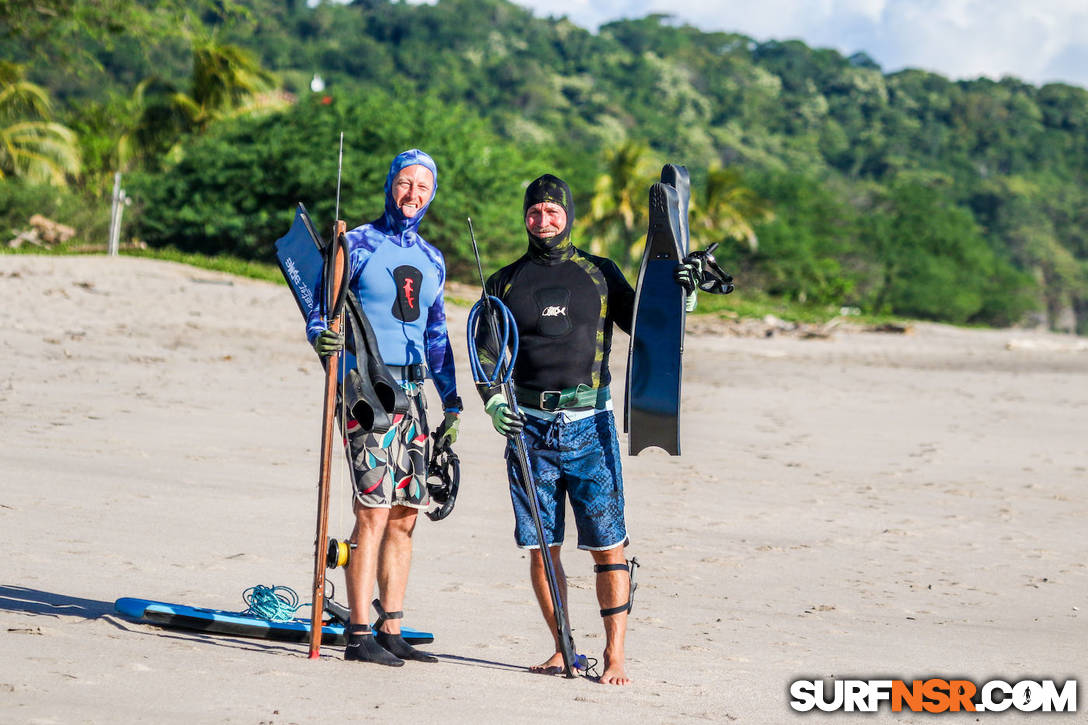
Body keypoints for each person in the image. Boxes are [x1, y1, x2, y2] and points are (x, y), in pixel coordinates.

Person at [474, 174, 697, 685]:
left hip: (589, 425)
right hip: (528, 429)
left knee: (607, 543)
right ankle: (563, 648)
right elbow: (485, 353)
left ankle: (615, 655)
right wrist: (491, 403)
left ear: (567, 215)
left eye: (553, 211)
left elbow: (645, 323)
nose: (543, 220)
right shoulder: (505, 281)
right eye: (535, 211)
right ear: (525, 216)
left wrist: (683, 299)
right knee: (542, 545)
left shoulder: (598, 273)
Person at [307, 149, 462, 666]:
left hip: (415, 397)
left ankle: (390, 626)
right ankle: (356, 635)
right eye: (405, 182)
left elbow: (437, 335)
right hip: (365, 392)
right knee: (372, 513)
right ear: (389, 184)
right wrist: (320, 338)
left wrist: (453, 401)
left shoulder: (434, 259)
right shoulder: (355, 243)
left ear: (432, 194)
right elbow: (320, 309)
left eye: (423, 186)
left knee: (405, 516)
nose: (413, 194)